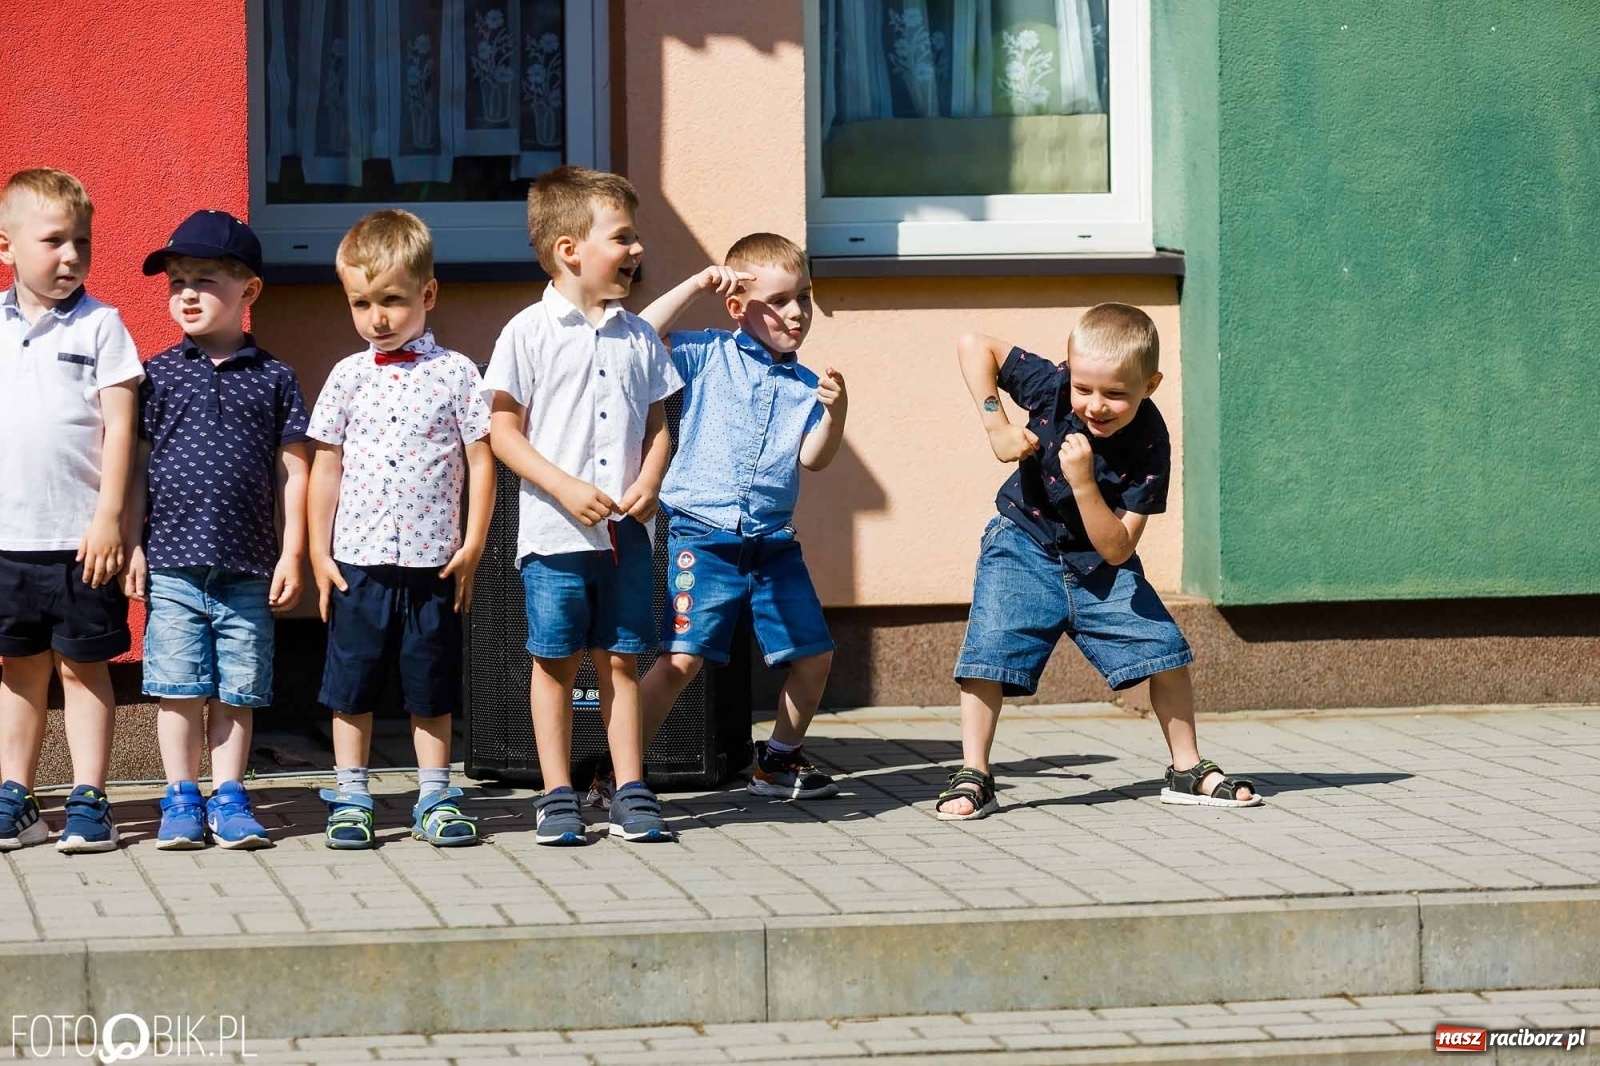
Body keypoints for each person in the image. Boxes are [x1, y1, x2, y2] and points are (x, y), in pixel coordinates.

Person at [940, 304, 1260, 819]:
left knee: (1167, 653)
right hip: (1021, 543)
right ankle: (975, 773)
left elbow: (1118, 548)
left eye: (1116, 394)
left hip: (1100, 566)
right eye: (1084, 389)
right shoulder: (1052, 386)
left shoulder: (1151, 443)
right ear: (1068, 369)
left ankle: (1187, 769)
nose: (1095, 406)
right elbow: (973, 344)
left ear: (1149, 385)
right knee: (987, 656)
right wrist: (996, 425)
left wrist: (1085, 484)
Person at [587, 232, 846, 808]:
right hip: (701, 536)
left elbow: (815, 457)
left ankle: (777, 761)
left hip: (773, 543)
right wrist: (697, 284)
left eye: (802, 296)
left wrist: (836, 414)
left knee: (816, 655)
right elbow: (635, 338)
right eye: (778, 300)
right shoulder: (707, 353)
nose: (796, 312)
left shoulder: (807, 385)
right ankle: (615, 774)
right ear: (737, 307)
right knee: (681, 659)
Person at [483, 166, 681, 845]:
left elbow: (659, 427)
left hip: (626, 537)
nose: (635, 251)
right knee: (555, 663)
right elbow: (503, 432)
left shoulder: (639, 338)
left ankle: (630, 788)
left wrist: (652, 480)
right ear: (571, 249)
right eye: (622, 238)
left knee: (622, 661)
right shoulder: (527, 332)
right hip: (554, 535)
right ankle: (556, 792)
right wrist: (565, 488)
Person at [307, 209, 495, 849]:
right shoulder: (347, 375)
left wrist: (472, 544)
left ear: (428, 294)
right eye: (362, 303)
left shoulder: (458, 373)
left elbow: (479, 459)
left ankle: (435, 793)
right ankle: (351, 793)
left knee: (430, 682)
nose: (376, 317)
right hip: (357, 559)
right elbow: (325, 464)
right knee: (350, 682)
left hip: (433, 562)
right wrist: (317, 550)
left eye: (391, 300)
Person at [127, 210, 310, 849]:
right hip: (172, 562)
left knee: (238, 688)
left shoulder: (275, 378)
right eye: (176, 282)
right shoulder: (155, 375)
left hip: (250, 566)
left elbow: (294, 472)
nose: (186, 294)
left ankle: (229, 796)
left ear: (248, 291)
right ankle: (180, 796)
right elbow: (137, 469)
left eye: (203, 281)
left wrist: (294, 552)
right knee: (176, 687)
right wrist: (130, 543)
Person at [0, 168, 143, 852]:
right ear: (7, 247)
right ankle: (17, 797)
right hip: (8, 538)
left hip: (82, 540)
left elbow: (121, 427)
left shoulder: (102, 326)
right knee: (17, 669)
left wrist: (110, 517)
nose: (71, 256)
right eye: (54, 240)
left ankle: (89, 798)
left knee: (82, 669)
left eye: (82, 242)